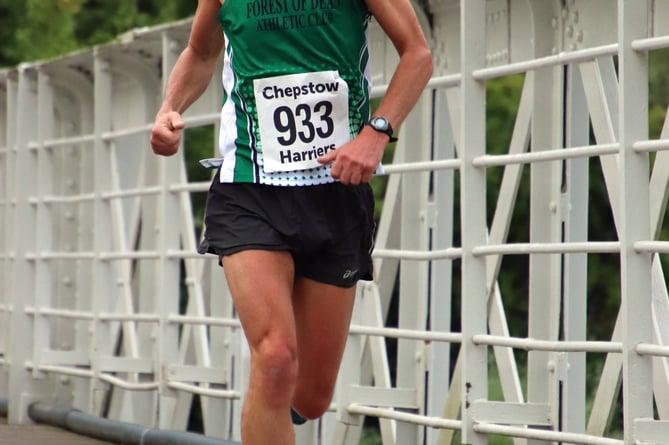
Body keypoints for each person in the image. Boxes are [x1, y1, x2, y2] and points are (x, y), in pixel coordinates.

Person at [150, 0, 432, 443]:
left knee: (311, 397)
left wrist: (376, 132)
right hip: (249, 187)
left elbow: (418, 54)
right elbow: (202, 52)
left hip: (336, 190)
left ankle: (277, 402)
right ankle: (271, 390)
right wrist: (169, 107)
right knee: (276, 359)